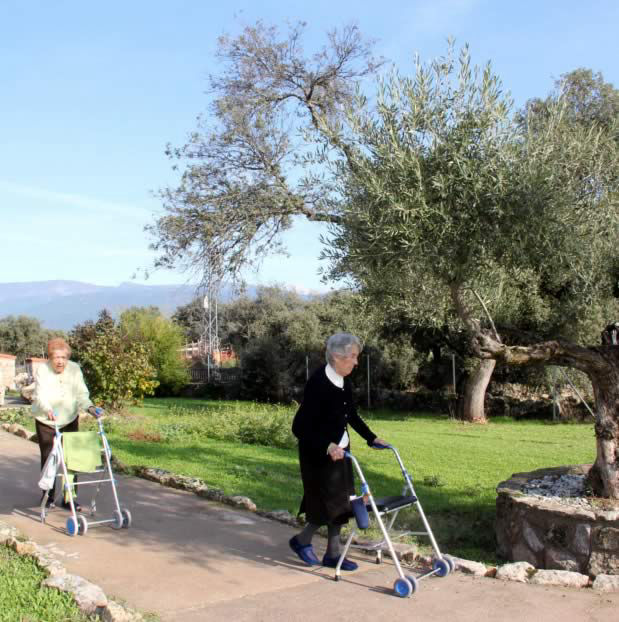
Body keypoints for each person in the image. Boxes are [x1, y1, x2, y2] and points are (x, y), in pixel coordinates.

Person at [289, 332, 388, 571]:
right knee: (325, 503)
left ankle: (332, 554)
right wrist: (327, 445)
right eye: (353, 357)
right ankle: (302, 541)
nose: (356, 362)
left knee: (342, 504)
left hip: (341, 451)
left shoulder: (344, 381)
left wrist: (371, 438)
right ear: (336, 355)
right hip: (318, 454)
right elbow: (300, 427)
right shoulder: (318, 383)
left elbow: (351, 415)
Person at [32, 338, 100, 510]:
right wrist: (47, 409)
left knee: (72, 459)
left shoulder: (75, 369)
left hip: (69, 418)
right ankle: (47, 497)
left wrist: (89, 407)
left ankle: (69, 499)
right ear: (50, 358)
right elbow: (40, 395)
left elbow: (81, 393)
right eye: (56, 357)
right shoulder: (42, 370)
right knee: (49, 459)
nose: (60, 361)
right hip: (46, 420)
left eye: (63, 357)